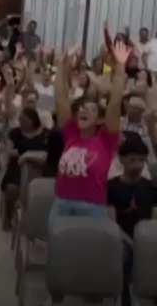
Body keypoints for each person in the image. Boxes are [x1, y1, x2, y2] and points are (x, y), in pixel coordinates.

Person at [51, 41, 129, 219]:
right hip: (61, 203)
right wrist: (61, 66)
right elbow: (61, 100)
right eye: (81, 108)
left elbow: (115, 104)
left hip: (91, 207)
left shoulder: (105, 140)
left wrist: (120, 66)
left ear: (100, 119)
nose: (83, 110)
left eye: (91, 109)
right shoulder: (71, 134)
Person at [107, 134, 157, 306]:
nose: (138, 165)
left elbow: (153, 219)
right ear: (122, 160)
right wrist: (132, 243)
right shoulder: (112, 187)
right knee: (123, 258)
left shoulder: (149, 187)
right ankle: (124, 304)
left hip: (146, 239)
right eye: (133, 160)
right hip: (122, 239)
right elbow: (112, 223)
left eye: (142, 160)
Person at [0, 107, 48, 228]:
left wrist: (25, 154)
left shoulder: (45, 134)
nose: (21, 122)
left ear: (33, 120)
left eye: (24, 119)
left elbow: (49, 152)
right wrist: (19, 154)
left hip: (40, 167)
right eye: (20, 119)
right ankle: (8, 216)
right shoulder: (15, 133)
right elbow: (10, 151)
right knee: (11, 189)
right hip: (17, 167)